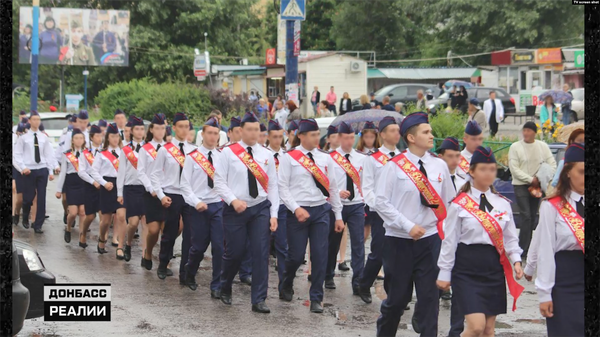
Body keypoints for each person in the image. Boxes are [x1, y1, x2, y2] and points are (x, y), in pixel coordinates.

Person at [375, 112, 455, 337]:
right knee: (397, 301)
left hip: (430, 242)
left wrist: (447, 235)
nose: (431, 136)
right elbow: (381, 202)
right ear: (411, 138)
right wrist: (407, 225)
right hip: (399, 242)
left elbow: (450, 203)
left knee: (430, 300)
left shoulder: (439, 166)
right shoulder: (394, 166)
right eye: (426, 132)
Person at [437, 146, 524, 337]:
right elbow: (450, 241)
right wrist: (444, 272)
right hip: (466, 267)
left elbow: (510, 238)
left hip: (493, 268)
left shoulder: (502, 203)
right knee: (475, 327)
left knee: (488, 330)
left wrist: (516, 260)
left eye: (492, 169)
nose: (488, 173)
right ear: (472, 171)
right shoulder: (460, 204)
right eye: (483, 169)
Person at [212, 112, 279, 313]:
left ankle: (259, 299)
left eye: (256, 129)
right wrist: (233, 200)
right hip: (235, 209)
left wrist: (274, 213)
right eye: (249, 129)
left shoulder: (267, 155)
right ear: (240, 131)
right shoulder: (228, 153)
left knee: (260, 253)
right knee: (235, 252)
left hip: (260, 207)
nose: (253, 133)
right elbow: (218, 181)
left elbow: (273, 186)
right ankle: (225, 285)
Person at [278, 118, 343, 314]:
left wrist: (338, 215)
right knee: (296, 256)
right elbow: (282, 186)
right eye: (312, 135)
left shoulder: (325, 158)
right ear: (301, 136)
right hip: (297, 212)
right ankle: (286, 282)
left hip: (320, 210)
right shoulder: (289, 157)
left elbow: (332, 187)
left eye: (317, 134)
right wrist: (296, 208)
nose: (316, 138)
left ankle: (316, 298)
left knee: (320, 255)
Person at [535, 143, 584, 337]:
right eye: (581, 171)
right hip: (564, 281)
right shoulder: (552, 206)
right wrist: (544, 294)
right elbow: (545, 250)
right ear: (568, 173)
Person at [180, 117, 225, 299]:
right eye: (210, 133)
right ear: (203, 134)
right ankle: (190, 271)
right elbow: (185, 185)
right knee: (198, 247)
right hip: (198, 207)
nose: (213, 137)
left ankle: (217, 285)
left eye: (216, 133)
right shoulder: (192, 157)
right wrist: (195, 201)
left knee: (219, 247)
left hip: (218, 206)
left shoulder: (222, 158)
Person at [357, 116, 401, 304]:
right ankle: (364, 284)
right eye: (392, 130)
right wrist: (381, 208)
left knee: (398, 254)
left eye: (397, 130)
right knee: (379, 252)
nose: (396, 133)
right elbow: (367, 188)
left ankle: (393, 294)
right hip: (380, 213)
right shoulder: (373, 159)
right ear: (382, 135)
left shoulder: (403, 157)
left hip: (400, 213)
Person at [150, 113, 195, 281]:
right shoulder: (165, 149)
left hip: (189, 195)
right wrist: (161, 195)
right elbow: (154, 175)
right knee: (170, 231)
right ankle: (163, 263)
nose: (184, 129)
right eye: (181, 126)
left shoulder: (194, 150)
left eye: (187, 126)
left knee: (190, 233)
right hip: (172, 194)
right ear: (174, 128)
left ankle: (185, 270)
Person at [324, 122, 366, 293]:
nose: (350, 141)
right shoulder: (330, 157)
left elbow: (365, 182)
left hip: (356, 205)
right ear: (339, 138)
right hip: (336, 205)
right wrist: (336, 192)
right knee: (333, 243)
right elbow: (324, 182)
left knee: (358, 243)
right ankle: (328, 275)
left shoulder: (362, 158)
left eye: (352, 138)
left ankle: (358, 282)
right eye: (346, 138)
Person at [508, 122, 556, 258]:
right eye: (524, 130)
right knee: (526, 216)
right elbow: (514, 169)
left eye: (529, 131)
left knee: (533, 215)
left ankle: (528, 248)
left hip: (537, 186)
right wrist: (530, 179)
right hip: (521, 185)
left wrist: (543, 177)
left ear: (534, 132)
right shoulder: (515, 147)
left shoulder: (542, 146)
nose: (526, 133)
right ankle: (522, 249)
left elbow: (552, 163)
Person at [13, 110, 59, 233]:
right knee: (28, 198)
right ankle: (25, 213)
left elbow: (49, 154)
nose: (36, 122)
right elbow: (17, 155)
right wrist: (23, 168)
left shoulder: (44, 138)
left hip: (41, 169)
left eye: (38, 120)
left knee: (41, 196)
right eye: (34, 119)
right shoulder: (24, 138)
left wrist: (53, 167)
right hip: (29, 170)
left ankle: (38, 224)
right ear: (29, 121)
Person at [90, 123, 126, 258]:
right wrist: (104, 183)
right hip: (107, 186)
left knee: (121, 216)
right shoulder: (102, 154)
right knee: (106, 220)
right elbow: (94, 171)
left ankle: (120, 247)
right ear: (108, 137)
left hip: (121, 185)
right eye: (112, 136)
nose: (115, 139)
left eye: (117, 136)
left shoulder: (124, 153)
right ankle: (102, 239)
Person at [137, 114, 167, 270]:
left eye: (163, 128)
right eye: (157, 128)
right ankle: (148, 252)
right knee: (154, 230)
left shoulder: (170, 149)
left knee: (168, 229)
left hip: (167, 192)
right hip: (151, 194)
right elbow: (141, 172)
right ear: (152, 129)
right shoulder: (145, 149)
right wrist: (151, 188)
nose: (160, 131)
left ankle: (164, 261)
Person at [116, 116, 146, 262]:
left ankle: (145, 255)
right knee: (133, 223)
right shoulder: (126, 150)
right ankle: (128, 244)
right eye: (137, 129)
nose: (140, 132)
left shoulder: (150, 149)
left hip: (146, 189)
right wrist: (119, 193)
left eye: (142, 129)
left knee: (146, 223)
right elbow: (121, 172)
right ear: (132, 132)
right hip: (131, 188)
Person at [266, 120, 288, 293]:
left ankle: (284, 285)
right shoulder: (262, 155)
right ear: (268, 137)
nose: (278, 140)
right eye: (274, 137)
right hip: (262, 204)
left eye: (280, 137)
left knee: (282, 246)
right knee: (259, 245)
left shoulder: (287, 157)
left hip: (281, 205)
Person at [55, 128, 87, 243]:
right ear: (72, 140)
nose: (79, 140)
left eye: (81, 138)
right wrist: (59, 189)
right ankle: (68, 228)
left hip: (83, 182)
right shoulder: (67, 154)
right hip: (71, 182)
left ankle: (82, 237)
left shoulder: (87, 153)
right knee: (73, 213)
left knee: (83, 212)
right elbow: (63, 172)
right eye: (76, 138)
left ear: (84, 140)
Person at [77, 125, 103, 248]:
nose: (100, 138)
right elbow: (81, 171)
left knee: (105, 214)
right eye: (97, 136)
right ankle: (83, 232)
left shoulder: (106, 151)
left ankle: (102, 241)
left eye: (101, 135)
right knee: (91, 215)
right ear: (91, 137)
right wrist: (93, 182)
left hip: (104, 185)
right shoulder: (85, 153)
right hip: (90, 186)